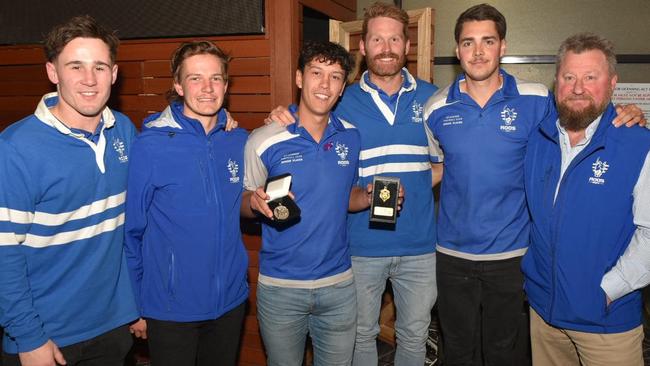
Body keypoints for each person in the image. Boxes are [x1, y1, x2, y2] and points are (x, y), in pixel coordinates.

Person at [423, 4, 646, 365]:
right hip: (452, 254)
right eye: (468, 42)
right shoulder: (435, 108)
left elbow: (582, 110)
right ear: (457, 49)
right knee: (458, 350)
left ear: (503, 46)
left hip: (514, 255)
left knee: (506, 352)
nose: (478, 51)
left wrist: (622, 111)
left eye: (488, 41)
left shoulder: (538, 99)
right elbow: (438, 166)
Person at [267, 3, 442, 364]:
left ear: (407, 45)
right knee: (361, 336)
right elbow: (303, 119)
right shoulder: (340, 100)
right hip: (359, 247)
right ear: (362, 47)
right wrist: (278, 114)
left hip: (420, 245)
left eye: (394, 38)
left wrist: (421, 185)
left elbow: (444, 165)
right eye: (377, 38)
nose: (386, 47)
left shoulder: (432, 98)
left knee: (414, 335)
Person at [0, 15, 138, 366]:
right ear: (52, 72)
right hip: (46, 336)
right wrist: (28, 336)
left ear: (115, 74)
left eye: (100, 67)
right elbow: (4, 252)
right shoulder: (16, 147)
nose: (89, 80)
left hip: (113, 327)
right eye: (75, 66)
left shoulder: (124, 131)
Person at [522, 32, 650, 366]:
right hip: (544, 316)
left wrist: (610, 290)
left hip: (605, 323)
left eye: (590, 77)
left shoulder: (638, 146)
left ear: (612, 83)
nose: (578, 87)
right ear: (556, 82)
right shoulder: (538, 138)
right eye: (569, 77)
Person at [123, 41, 249, 366]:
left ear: (226, 83)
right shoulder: (149, 145)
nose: (207, 88)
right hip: (169, 308)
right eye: (195, 78)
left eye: (216, 78)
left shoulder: (239, 140)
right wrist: (134, 307)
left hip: (230, 303)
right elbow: (130, 232)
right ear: (178, 85)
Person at [242, 40, 365, 366]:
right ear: (299, 78)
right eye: (317, 73)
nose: (325, 84)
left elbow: (347, 197)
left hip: (339, 285)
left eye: (335, 77)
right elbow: (241, 202)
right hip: (281, 288)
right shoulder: (264, 139)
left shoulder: (351, 137)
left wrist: (369, 197)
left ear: (342, 88)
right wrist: (255, 202)